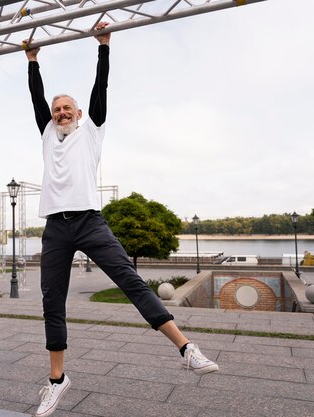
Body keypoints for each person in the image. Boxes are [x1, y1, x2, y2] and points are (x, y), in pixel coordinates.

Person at [23, 22, 219, 417]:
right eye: (56, 109)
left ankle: (186, 348)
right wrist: (32, 62)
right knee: (51, 301)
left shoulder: (91, 130)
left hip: (91, 222)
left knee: (130, 281)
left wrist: (104, 48)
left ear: (78, 114)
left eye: (67, 109)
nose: (60, 113)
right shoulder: (47, 133)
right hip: (56, 228)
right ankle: (57, 382)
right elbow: (36, 99)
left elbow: (101, 90)